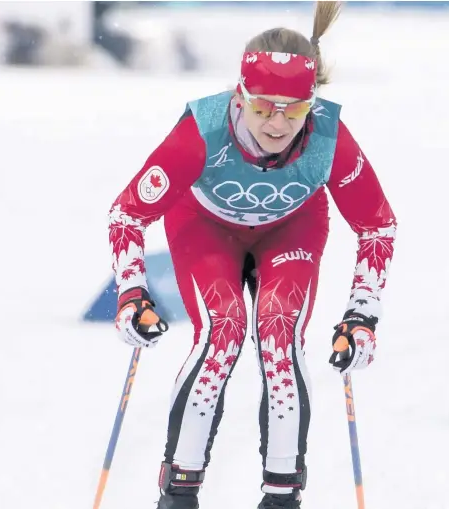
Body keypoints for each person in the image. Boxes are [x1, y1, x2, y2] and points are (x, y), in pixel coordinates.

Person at [107, 2, 397, 508]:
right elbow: (127, 214)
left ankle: (282, 496)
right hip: (204, 228)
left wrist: (361, 316)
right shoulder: (202, 131)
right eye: (263, 107)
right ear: (240, 97)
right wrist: (132, 292)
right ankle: (179, 491)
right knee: (223, 330)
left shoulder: (329, 138)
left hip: (292, 230)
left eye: (295, 109)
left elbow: (377, 226)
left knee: (279, 332)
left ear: (313, 102)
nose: (278, 124)